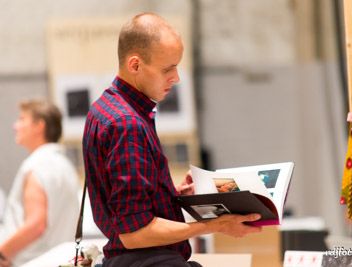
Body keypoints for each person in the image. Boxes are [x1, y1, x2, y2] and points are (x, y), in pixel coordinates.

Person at [82, 12, 262, 267]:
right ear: (135, 65)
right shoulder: (126, 124)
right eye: (168, 69)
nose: (176, 78)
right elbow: (134, 234)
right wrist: (215, 225)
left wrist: (170, 194)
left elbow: (124, 203)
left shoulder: (105, 109)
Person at [0, 100, 80, 267]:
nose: (15, 126)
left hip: (34, 261)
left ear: (39, 126)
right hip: (61, 259)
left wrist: (2, 253)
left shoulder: (37, 165)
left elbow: (36, 224)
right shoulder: (65, 165)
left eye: (22, 119)